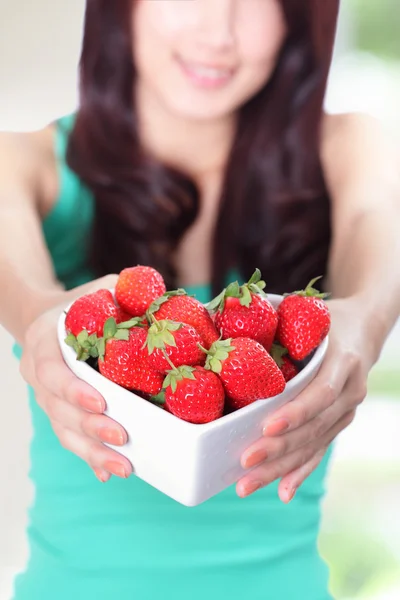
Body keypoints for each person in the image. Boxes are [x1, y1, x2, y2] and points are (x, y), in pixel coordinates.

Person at [1, 1, 399, 598]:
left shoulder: (350, 147)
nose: (219, 31)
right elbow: (27, 293)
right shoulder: (21, 163)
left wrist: (363, 323)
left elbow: (380, 232)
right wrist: (42, 326)